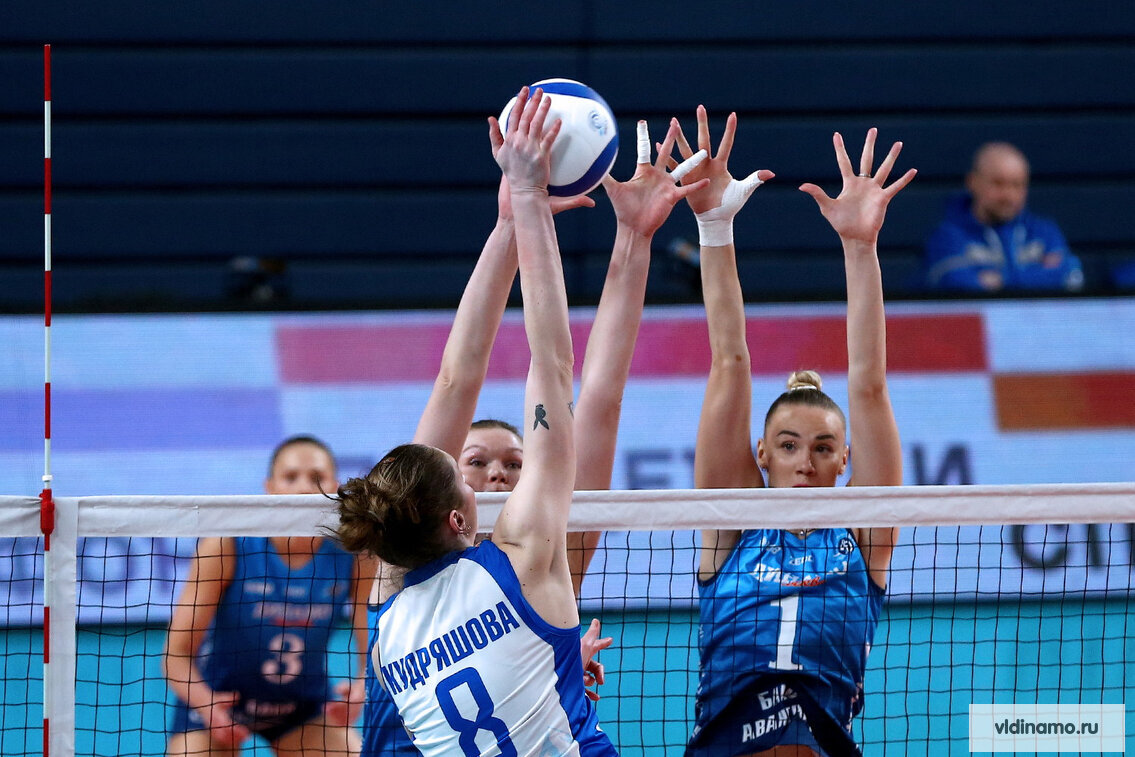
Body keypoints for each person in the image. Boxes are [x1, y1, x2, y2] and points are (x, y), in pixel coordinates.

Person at [359, 93, 709, 755]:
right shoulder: (521, 551)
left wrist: (610, 237)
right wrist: (522, 208)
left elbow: (594, 402)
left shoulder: (393, 598)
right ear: (451, 508)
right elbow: (511, 378)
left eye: (512, 465)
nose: (496, 475)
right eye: (473, 463)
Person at [671, 111, 913, 757]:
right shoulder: (730, 525)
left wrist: (860, 248)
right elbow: (729, 359)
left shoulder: (863, 538)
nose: (805, 462)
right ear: (762, 454)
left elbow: (868, 384)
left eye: (823, 448)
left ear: (844, 460)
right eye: (788, 445)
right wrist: (713, 225)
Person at [164, 435, 376, 756]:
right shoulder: (226, 545)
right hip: (218, 699)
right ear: (270, 488)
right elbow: (175, 656)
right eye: (290, 477)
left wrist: (363, 686)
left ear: (335, 488)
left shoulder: (356, 553)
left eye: (317, 478)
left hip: (302, 707)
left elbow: (373, 647)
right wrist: (207, 705)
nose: (304, 488)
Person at [923, 141, 1083, 293]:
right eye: (998, 183)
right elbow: (954, 283)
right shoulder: (948, 236)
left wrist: (999, 281)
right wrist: (1036, 276)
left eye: (1017, 185)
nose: (1008, 195)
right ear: (973, 182)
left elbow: (1070, 275)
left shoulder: (1045, 232)